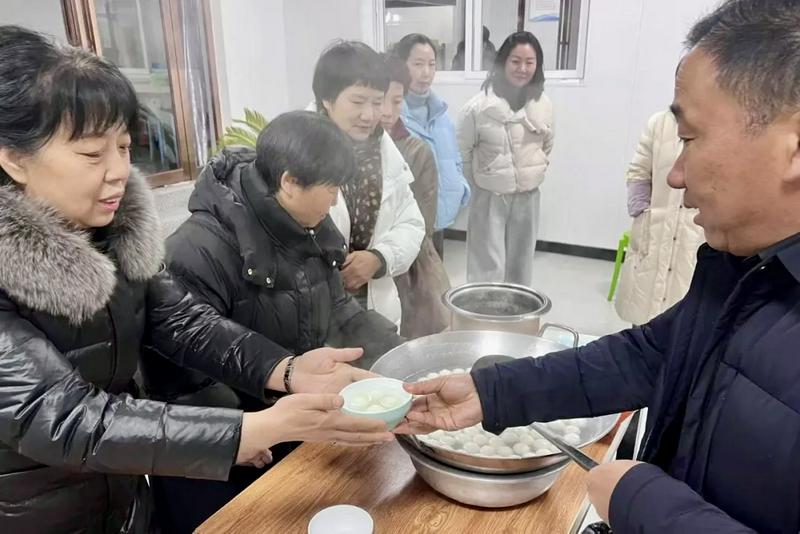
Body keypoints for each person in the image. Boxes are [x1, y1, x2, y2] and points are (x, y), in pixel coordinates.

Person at [397, 1, 800, 532]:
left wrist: (644, 502)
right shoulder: (747, 269)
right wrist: (492, 392)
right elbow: (651, 355)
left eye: (689, 138)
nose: (675, 175)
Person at [0, 26, 392, 533]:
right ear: (14, 158)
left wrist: (287, 369)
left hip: (122, 500)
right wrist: (246, 430)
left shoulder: (110, 235)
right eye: (93, 154)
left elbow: (184, 322)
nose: (119, 171)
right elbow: (62, 417)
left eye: (124, 147)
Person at [142, 110, 406, 531]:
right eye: (331, 188)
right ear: (289, 182)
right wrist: (239, 435)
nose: (335, 201)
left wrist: (403, 359)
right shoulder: (196, 250)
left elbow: (340, 309)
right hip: (221, 451)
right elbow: (181, 376)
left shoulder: (311, 226)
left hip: (291, 421)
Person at [312, 41, 425, 327]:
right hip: (315, 314)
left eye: (377, 102)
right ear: (327, 99)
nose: (369, 115)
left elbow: (411, 223)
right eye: (358, 101)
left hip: (376, 307)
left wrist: (379, 258)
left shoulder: (384, 152)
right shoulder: (298, 152)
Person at [457, 31, 554, 287]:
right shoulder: (478, 107)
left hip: (528, 197)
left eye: (529, 62)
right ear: (503, 62)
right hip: (490, 198)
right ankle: (484, 310)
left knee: (521, 267)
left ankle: (517, 309)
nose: (522, 69)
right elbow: (462, 152)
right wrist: (482, 182)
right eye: (515, 61)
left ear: (537, 65)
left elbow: (547, 145)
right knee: (487, 267)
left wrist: (530, 172)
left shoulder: (543, 104)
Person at [381, 53, 451, 338]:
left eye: (397, 101)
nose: (388, 111)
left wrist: (381, 257)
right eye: (380, 100)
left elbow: (422, 227)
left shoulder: (416, 151)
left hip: (408, 273)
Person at [615, 109, 704, 325]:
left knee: (684, 315)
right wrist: (642, 212)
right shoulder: (660, 123)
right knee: (643, 309)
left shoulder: (725, 123)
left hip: (696, 233)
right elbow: (638, 172)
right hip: (655, 229)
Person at [394, 33, 471, 259]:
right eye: (418, 64)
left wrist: (460, 187)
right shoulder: (393, 116)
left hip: (439, 219)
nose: (426, 72)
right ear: (401, 66)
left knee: (435, 276)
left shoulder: (441, 115)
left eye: (431, 64)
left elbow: (455, 158)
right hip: (406, 224)